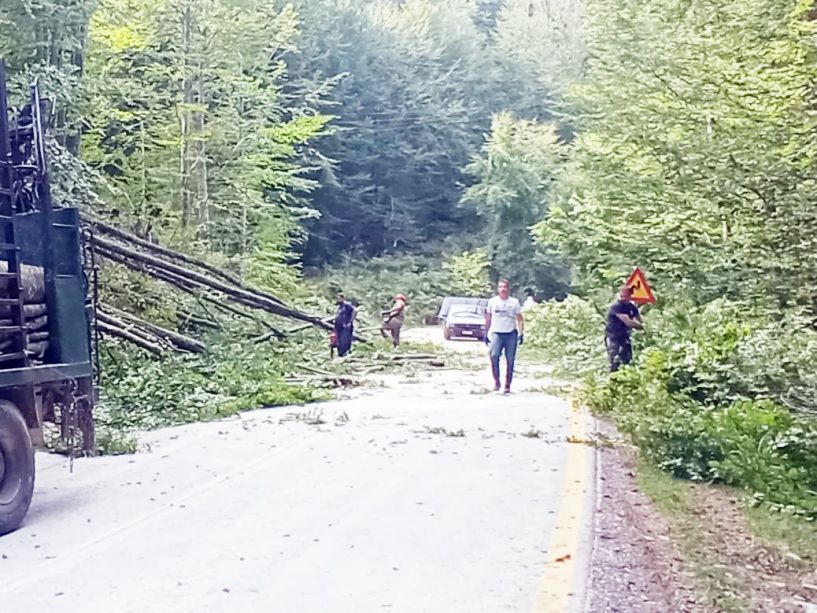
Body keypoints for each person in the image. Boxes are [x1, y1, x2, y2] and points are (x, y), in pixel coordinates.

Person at [484, 279, 524, 394]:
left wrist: (521, 333)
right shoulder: (492, 302)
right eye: (500, 287)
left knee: (510, 360)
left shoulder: (514, 302)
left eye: (505, 287)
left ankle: (507, 385)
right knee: (494, 356)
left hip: (510, 334)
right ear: (498, 289)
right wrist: (485, 333)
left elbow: (520, 319)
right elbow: (488, 318)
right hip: (497, 333)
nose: (503, 289)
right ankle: (497, 382)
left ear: (508, 289)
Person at [605, 285, 643, 372]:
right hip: (613, 337)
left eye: (625, 296)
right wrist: (640, 326)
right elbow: (629, 322)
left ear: (630, 296)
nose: (623, 298)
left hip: (625, 337)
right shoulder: (617, 306)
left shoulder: (631, 306)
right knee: (615, 360)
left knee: (627, 360)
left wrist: (643, 325)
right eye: (622, 296)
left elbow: (638, 318)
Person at [333, 293, 356, 357]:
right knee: (339, 340)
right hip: (339, 327)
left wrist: (350, 322)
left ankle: (345, 353)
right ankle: (340, 353)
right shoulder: (340, 306)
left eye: (338, 298)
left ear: (342, 298)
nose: (337, 300)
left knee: (345, 340)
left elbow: (354, 310)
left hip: (345, 326)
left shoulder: (347, 305)